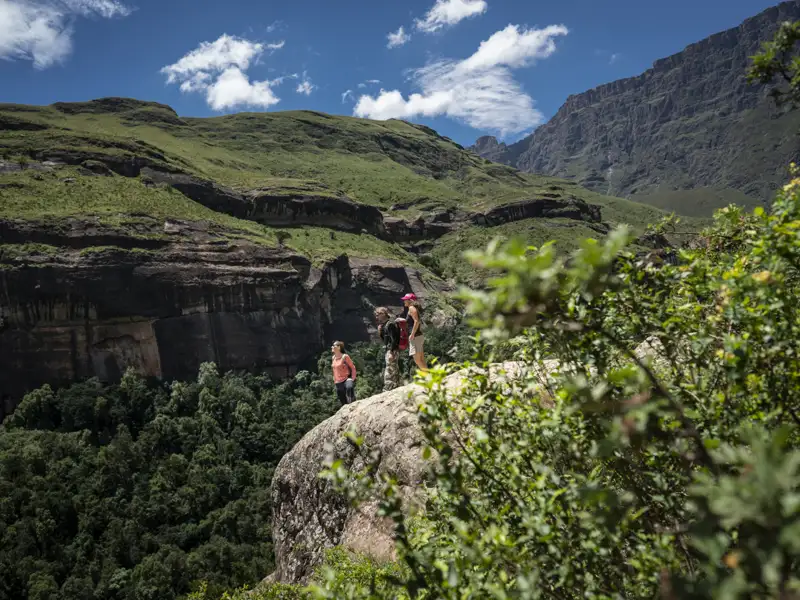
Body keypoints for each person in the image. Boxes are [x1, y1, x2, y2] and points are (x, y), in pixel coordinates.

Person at [375, 307, 401, 391]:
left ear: (383, 314)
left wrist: (391, 351)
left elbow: (394, 339)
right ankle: (395, 387)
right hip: (390, 350)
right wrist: (380, 332)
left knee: (389, 370)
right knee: (394, 369)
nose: (376, 317)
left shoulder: (390, 324)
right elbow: (385, 340)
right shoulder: (384, 325)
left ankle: (387, 389)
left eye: (378, 314)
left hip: (392, 350)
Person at [401, 293, 428, 372]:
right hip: (418, 336)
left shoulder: (411, 308)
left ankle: (428, 378)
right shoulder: (414, 308)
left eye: (405, 300)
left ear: (410, 301)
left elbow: (417, 321)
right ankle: (430, 377)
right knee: (421, 359)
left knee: (417, 359)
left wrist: (412, 334)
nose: (404, 301)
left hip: (415, 336)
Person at [331, 341, 357, 406]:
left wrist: (352, 378)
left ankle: (353, 405)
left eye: (334, 346)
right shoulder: (333, 358)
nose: (332, 347)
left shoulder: (345, 357)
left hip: (346, 379)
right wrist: (335, 379)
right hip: (338, 382)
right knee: (342, 400)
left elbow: (352, 367)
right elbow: (334, 369)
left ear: (339, 347)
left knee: (349, 388)